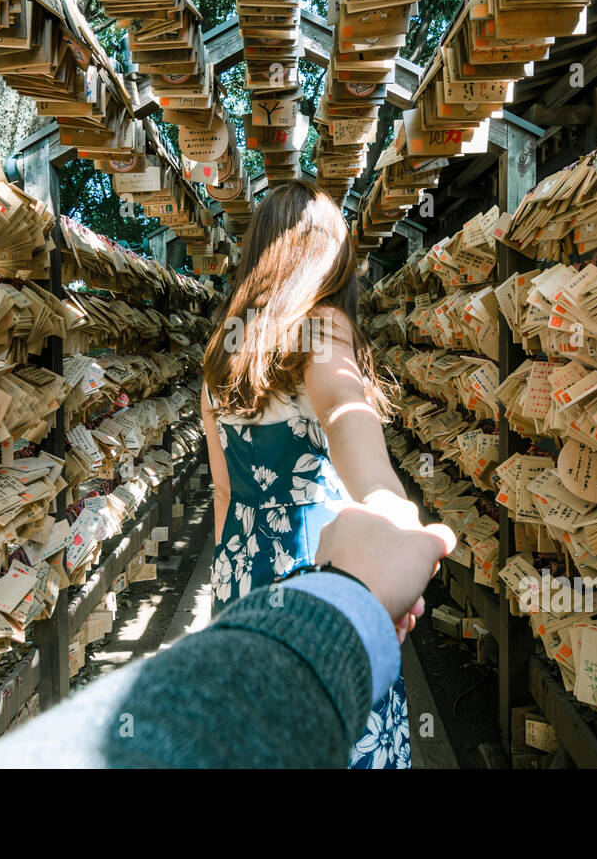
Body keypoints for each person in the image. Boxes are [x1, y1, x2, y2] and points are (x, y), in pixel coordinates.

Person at [200, 181, 425, 769]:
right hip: (315, 564)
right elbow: (350, 428)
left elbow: (223, 490)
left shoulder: (223, 353)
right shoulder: (322, 328)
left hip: (241, 568)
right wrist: (390, 511)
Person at [0, 504, 456, 769]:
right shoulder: (334, 363)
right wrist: (348, 594)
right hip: (320, 558)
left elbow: (222, 491)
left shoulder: (223, 369)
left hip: (250, 549)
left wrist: (228, 573)